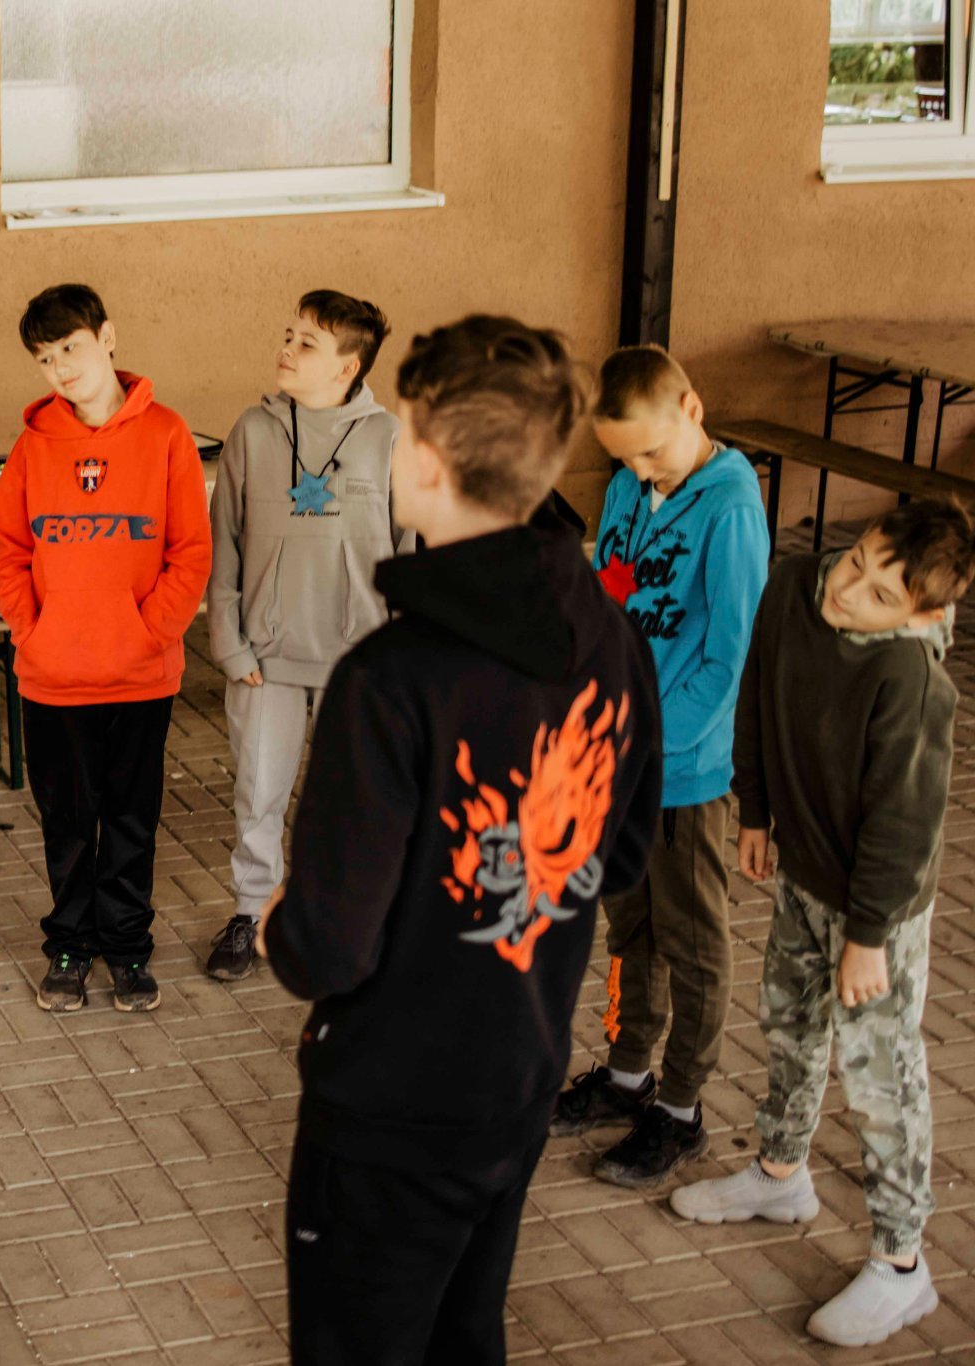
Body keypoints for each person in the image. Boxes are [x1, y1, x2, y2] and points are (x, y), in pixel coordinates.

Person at [259, 315, 661, 1364]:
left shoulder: (388, 679)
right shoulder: (611, 633)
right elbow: (620, 856)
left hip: (389, 1107)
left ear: (427, 461)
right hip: (517, 1074)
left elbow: (327, 949)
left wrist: (278, 928)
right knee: (463, 1337)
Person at [670, 501, 975, 1347]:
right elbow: (758, 692)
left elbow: (904, 822)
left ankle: (902, 1264)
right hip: (803, 871)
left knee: (881, 1077)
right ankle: (780, 1173)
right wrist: (756, 810)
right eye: (856, 563)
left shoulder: (912, 679)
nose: (849, 591)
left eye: (881, 596)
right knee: (789, 1027)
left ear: (924, 616)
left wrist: (868, 936)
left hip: (877, 911)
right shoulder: (795, 585)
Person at [550, 344, 770, 1187]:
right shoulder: (624, 487)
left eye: (649, 452)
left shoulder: (732, 508)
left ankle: (679, 1110)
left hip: (685, 774)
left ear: (692, 409)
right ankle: (627, 1072)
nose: (640, 471)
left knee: (693, 941)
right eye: (623, 458)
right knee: (631, 927)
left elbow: (729, 659)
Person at [0, 283, 211, 1014]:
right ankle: (71, 946)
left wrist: (149, 633)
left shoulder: (166, 434)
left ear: (107, 338)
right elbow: (7, 553)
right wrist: (35, 631)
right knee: (68, 824)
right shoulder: (33, 445)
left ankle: (128, 948)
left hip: (141, 675)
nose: (61, 368)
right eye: (45, 358)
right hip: (54, 677)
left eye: (70, 348)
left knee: (131, 820)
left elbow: (190, 552)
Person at [204, 289, 408, 981]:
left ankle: (350, 919)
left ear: (347, 368)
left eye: (306, 343)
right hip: (266, 659)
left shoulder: (389, 438)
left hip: (361, 664)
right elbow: (224, 545)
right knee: (258, 791)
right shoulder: (252, 432)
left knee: (355, 800)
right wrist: (229, 644)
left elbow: (412, 555)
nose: (286, 349)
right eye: (288, 335)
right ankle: (252, 911)